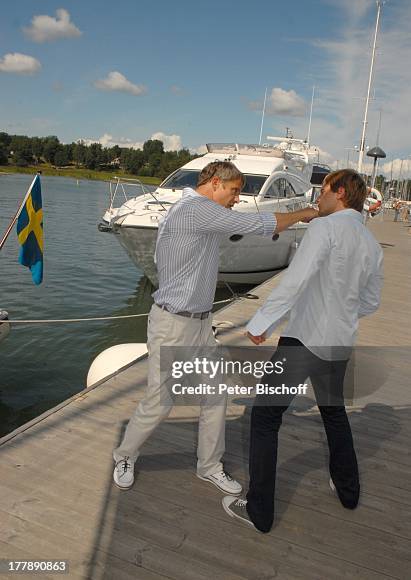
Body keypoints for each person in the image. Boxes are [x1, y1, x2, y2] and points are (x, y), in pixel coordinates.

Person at [113, 161, 318, 494]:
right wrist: (304, 212)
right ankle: (124, 455)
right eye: (235, 190)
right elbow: (254, 221)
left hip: (200, 324)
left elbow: (243, 223)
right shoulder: (195, 210)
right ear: (213, 184)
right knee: (160, 401)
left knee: (214, 394)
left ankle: (208, 465)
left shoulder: (199, 211)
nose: (238, 198)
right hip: (173, 325)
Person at [222, 169, 383, 531]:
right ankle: (348, 490)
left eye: (323, 191)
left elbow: (295, 280)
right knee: (333, 411)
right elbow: (370, 302)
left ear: (339, 192)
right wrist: (339, 311)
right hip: (339, 341)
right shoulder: (371, 244)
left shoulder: (324, 228)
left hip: (304, 340)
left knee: (265, 418)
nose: (319, 198)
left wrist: (262, 322)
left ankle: (260, 512)